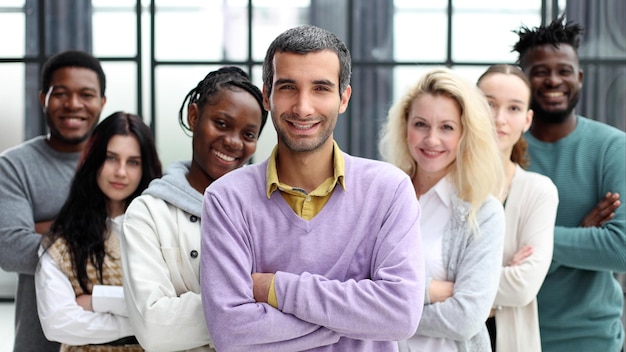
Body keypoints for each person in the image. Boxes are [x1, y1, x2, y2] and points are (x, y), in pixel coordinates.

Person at [199, 24, 424, 352]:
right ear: (267, 95)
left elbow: (400, 316)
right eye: (288, 87)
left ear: (343, 98)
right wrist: (353, 321)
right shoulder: (226, 199)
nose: (303, 107)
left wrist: (275, 289)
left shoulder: (390, 191)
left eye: (321, 88)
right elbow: (230, 333)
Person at [121, 66, 268, 351]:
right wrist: (259, 297)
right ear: (194, 116)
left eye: (248, 134)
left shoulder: (268, 210)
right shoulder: (148, 213)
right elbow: (154, 329)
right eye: (222, 124)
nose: (233, 142)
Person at [513, 15, 626, 352]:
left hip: (594, 340)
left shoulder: (612, 147)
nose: (553, 80)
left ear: (578, 77)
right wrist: (585, 231)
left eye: (563, 70)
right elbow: (492, 254)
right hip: (511, 335)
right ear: (523, 80)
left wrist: (534, 241)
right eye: (540, 71)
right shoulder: (503, 151)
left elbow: (621, 249)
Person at [379, 67, 505, 352]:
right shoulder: (380, 196)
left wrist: (383, 310)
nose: (431, 139)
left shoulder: (483, 212)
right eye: (421, 124)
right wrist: (430, 291)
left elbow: (466, 318)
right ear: (405, 126)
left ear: (464, 133)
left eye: (446, 127)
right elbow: (354, 284)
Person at [0, 50, 107, 352]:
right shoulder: (13, 166)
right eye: (61, 94)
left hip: (116, 339)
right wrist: (100, 232)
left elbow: (141, 244)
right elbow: (11, 250)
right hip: (39, 343)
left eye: (86, 94)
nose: (73, 104)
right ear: (43, 98)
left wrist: (47, 228)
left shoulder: (121, 164)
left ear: (102, 102)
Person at [34, 111, 161, 351]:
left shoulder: (161, 233)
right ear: (93, 160)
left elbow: (182, 305)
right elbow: (57, 323)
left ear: (145, 167)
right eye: (111, 158)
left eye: (133, 162)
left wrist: (97, 300)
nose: (121, 172)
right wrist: (147, 323)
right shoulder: (61, 242)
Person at [477, 64, 559, 352]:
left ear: (527, 120)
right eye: (488, 104)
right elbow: (416, 281)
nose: (499, 119)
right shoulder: (440, 183)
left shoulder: (539, 191)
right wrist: (499, 277)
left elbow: (523, 286)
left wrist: (453, 288)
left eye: (513, 109)